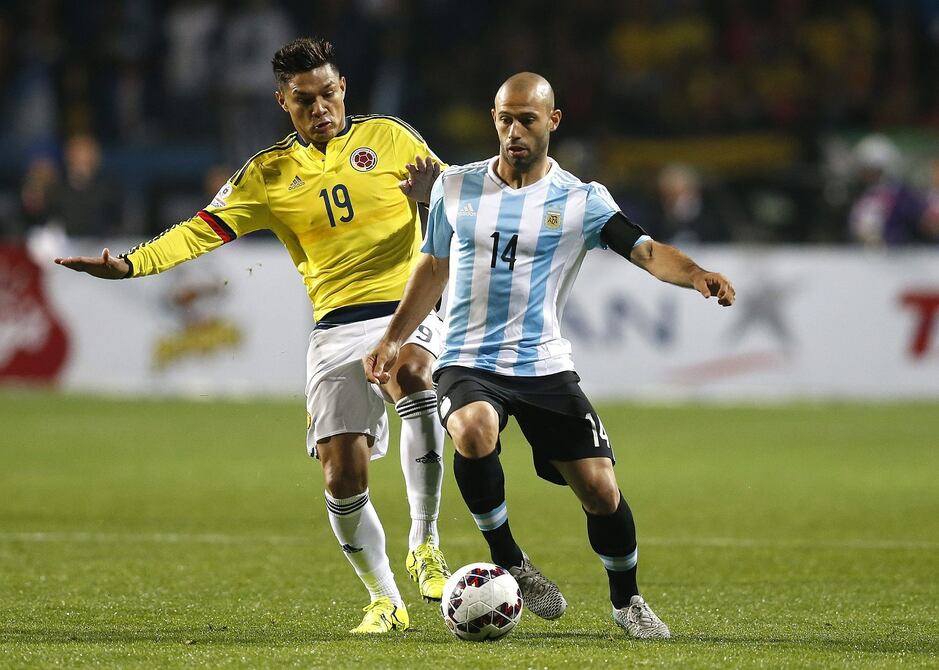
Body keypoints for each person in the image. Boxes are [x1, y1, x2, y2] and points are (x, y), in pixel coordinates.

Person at [54, 37, 450, 634]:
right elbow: (199, 230)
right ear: (283, 103)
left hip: (405, 311)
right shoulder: (268, 173)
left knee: (415, 375)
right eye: (304, 100)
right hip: (335, 327)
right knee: (342, 477)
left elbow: (460, 201)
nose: (320, 108)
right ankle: (385, 601)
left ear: (344, 88)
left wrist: (435, 194)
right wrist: (132, 265)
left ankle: (425, 544)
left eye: (328, 94)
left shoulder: (391, 138)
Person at [364, 72, 735, 639]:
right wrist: (394, 337)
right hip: (467, 359)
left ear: (552, 121)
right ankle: (509, 558)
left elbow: (647, 251)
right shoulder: (454, 187)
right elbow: (433, 266)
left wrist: (696, 274)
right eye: (504, 119)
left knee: (601, 490)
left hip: (543, 366)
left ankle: (628, 601)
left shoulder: (582, 200)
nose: (513, 131)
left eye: (526, 120)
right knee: (473, 430)